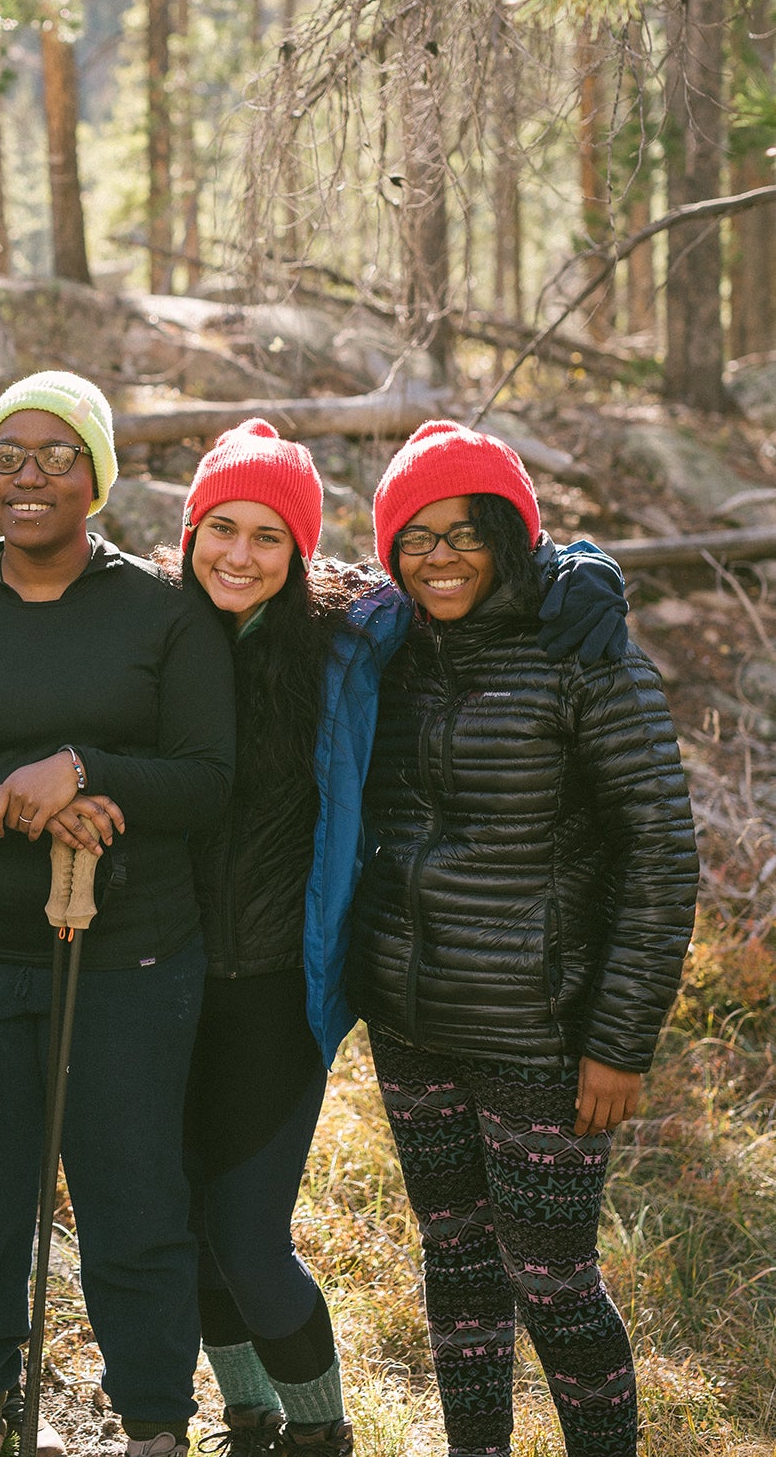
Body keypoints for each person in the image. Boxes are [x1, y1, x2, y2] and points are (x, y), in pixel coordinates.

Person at [171, 419, 638, 1457]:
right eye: (221, 529)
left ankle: (320, 1430)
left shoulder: (377, 639)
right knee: (424, 1262)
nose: (240, 556)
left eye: (270, 536)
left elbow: (655, 854)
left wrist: (585, 573)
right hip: (263, 998)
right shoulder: (172, 632)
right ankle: (260, 1419)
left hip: (410, 1008)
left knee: (542, 1279)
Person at [0, 371, 238, 1457]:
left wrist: (84, 769)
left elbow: (207, 778)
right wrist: (24, 808)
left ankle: (157, 1419)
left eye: (57, 455)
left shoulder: (165, 613)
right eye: (6, 457)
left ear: (99, 478)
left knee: (135, 1201)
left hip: (133, 958)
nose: (28, 478)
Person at [348, 420, 697, 1457]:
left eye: (467, 531)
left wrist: (620, 1043)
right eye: (416, 535)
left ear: (512, 536)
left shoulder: (585, 652)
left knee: (551, 1279)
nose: (441, 555)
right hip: (414, 1021)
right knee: (456, 1261)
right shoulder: (387, 648)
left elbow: (661, 859)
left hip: (544, 1036)